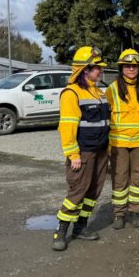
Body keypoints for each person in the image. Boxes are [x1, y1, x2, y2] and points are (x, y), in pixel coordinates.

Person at [52, 46, 110, 251]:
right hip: (83, 152)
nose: (100, 71)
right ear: (85, 69)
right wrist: (72, 153)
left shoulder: (98, 92)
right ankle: (61, 231)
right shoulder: (71, 94)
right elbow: (67, 126)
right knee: (78, 191)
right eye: (96, 68)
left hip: (101, 151)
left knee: (94, 191)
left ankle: (81, 227)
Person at [106, 49, 139, 230]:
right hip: (119, 144)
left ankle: (135, 212)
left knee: (137, 179)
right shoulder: (112, 89)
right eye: (127, 66)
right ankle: (119, 214)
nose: (131, 69)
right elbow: (105, 115)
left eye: (134, 66)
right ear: (121, 68)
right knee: (120, 179)